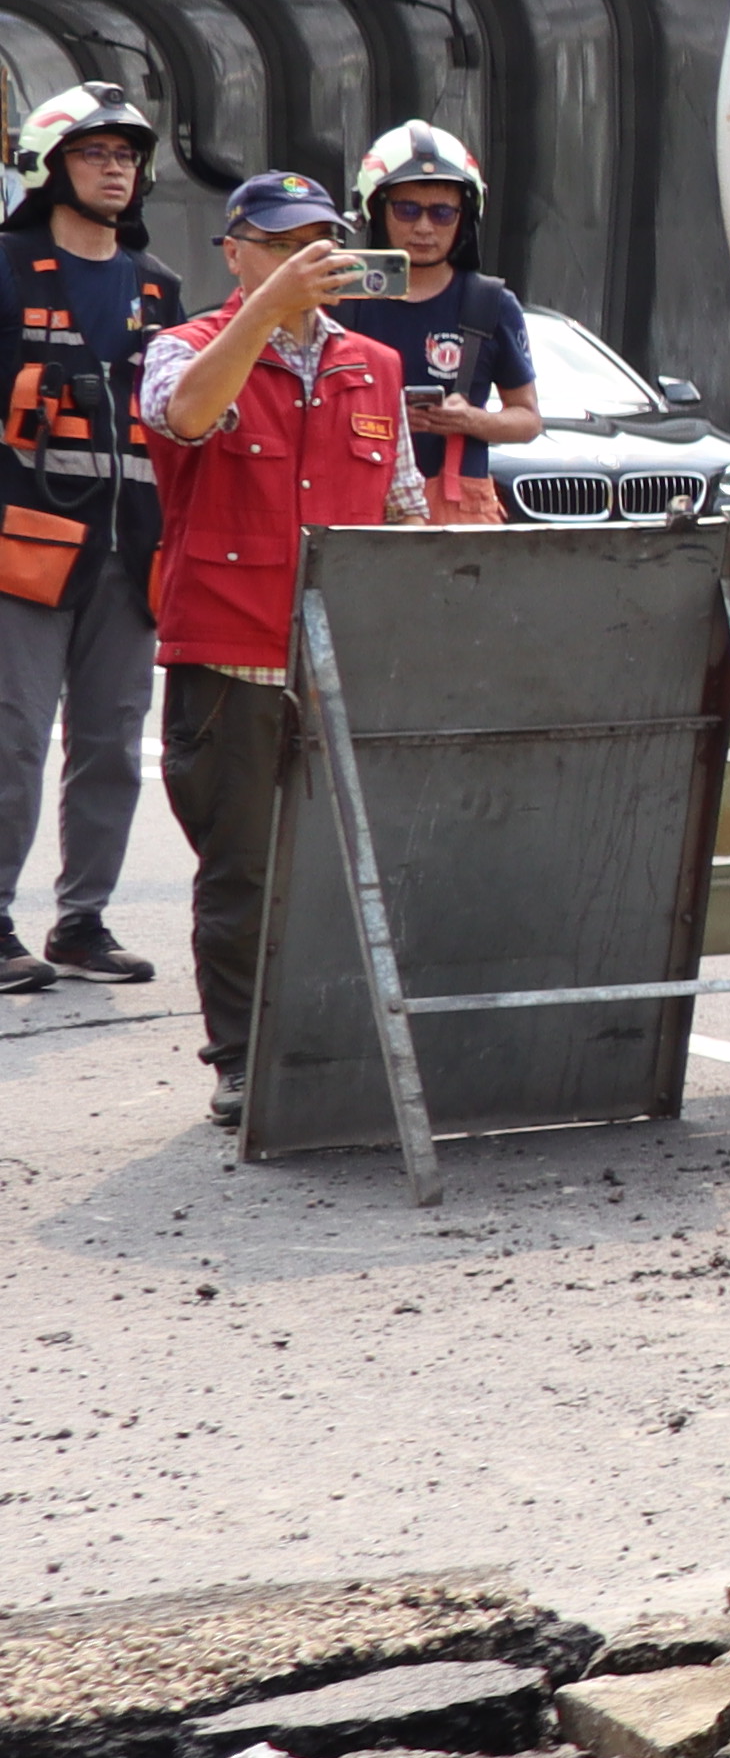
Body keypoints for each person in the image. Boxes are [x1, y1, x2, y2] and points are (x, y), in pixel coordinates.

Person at [144, 172, 418, 1126]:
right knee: (243, 869)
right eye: (282, 241)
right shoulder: (182, 348)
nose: (308, 256)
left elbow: (402, 508)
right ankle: (240, 1058)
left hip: (345, 660)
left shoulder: (374, 363)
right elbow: (184, 418)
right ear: (236, 251)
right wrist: (265, 312)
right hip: (231, 659)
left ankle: (337, 1042)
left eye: (321, 241)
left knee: (357, 867)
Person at [0, 86, 181, 996]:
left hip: (132, 552)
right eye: (94, 152)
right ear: (46, 165)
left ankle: (81, 923)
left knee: (110, 740)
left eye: (127, 154)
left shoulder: (160, 288)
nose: (116, 168)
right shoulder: (4, 268)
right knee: (13, 739)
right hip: (23, 546)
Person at [336, 122, 536, 525]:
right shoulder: (340, 298)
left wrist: (470, 421)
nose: (424, 228)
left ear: (465, 217)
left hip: (458, 510)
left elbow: (527, 418)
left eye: (442, 212)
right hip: (358, 503)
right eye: (407, 210)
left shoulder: (490, 303)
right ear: (376, 211)